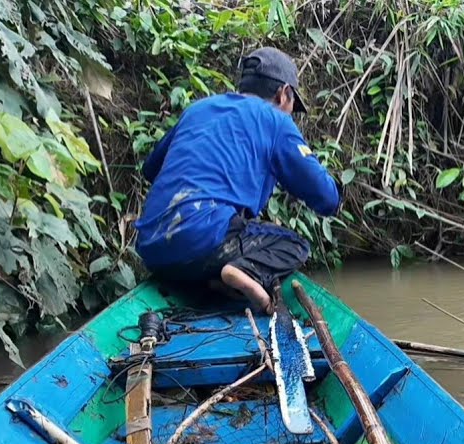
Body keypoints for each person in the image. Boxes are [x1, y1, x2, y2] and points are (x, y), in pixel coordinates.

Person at [133, 47, 340, 314]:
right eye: (292, 105)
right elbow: (327, 198)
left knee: (217, 243)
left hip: (152, 249)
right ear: (284, 93)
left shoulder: (197, 110)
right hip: (205, 237)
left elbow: (151, 169)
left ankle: (218, 281)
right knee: (294, 245)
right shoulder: (276, 121)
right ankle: (241, 271)